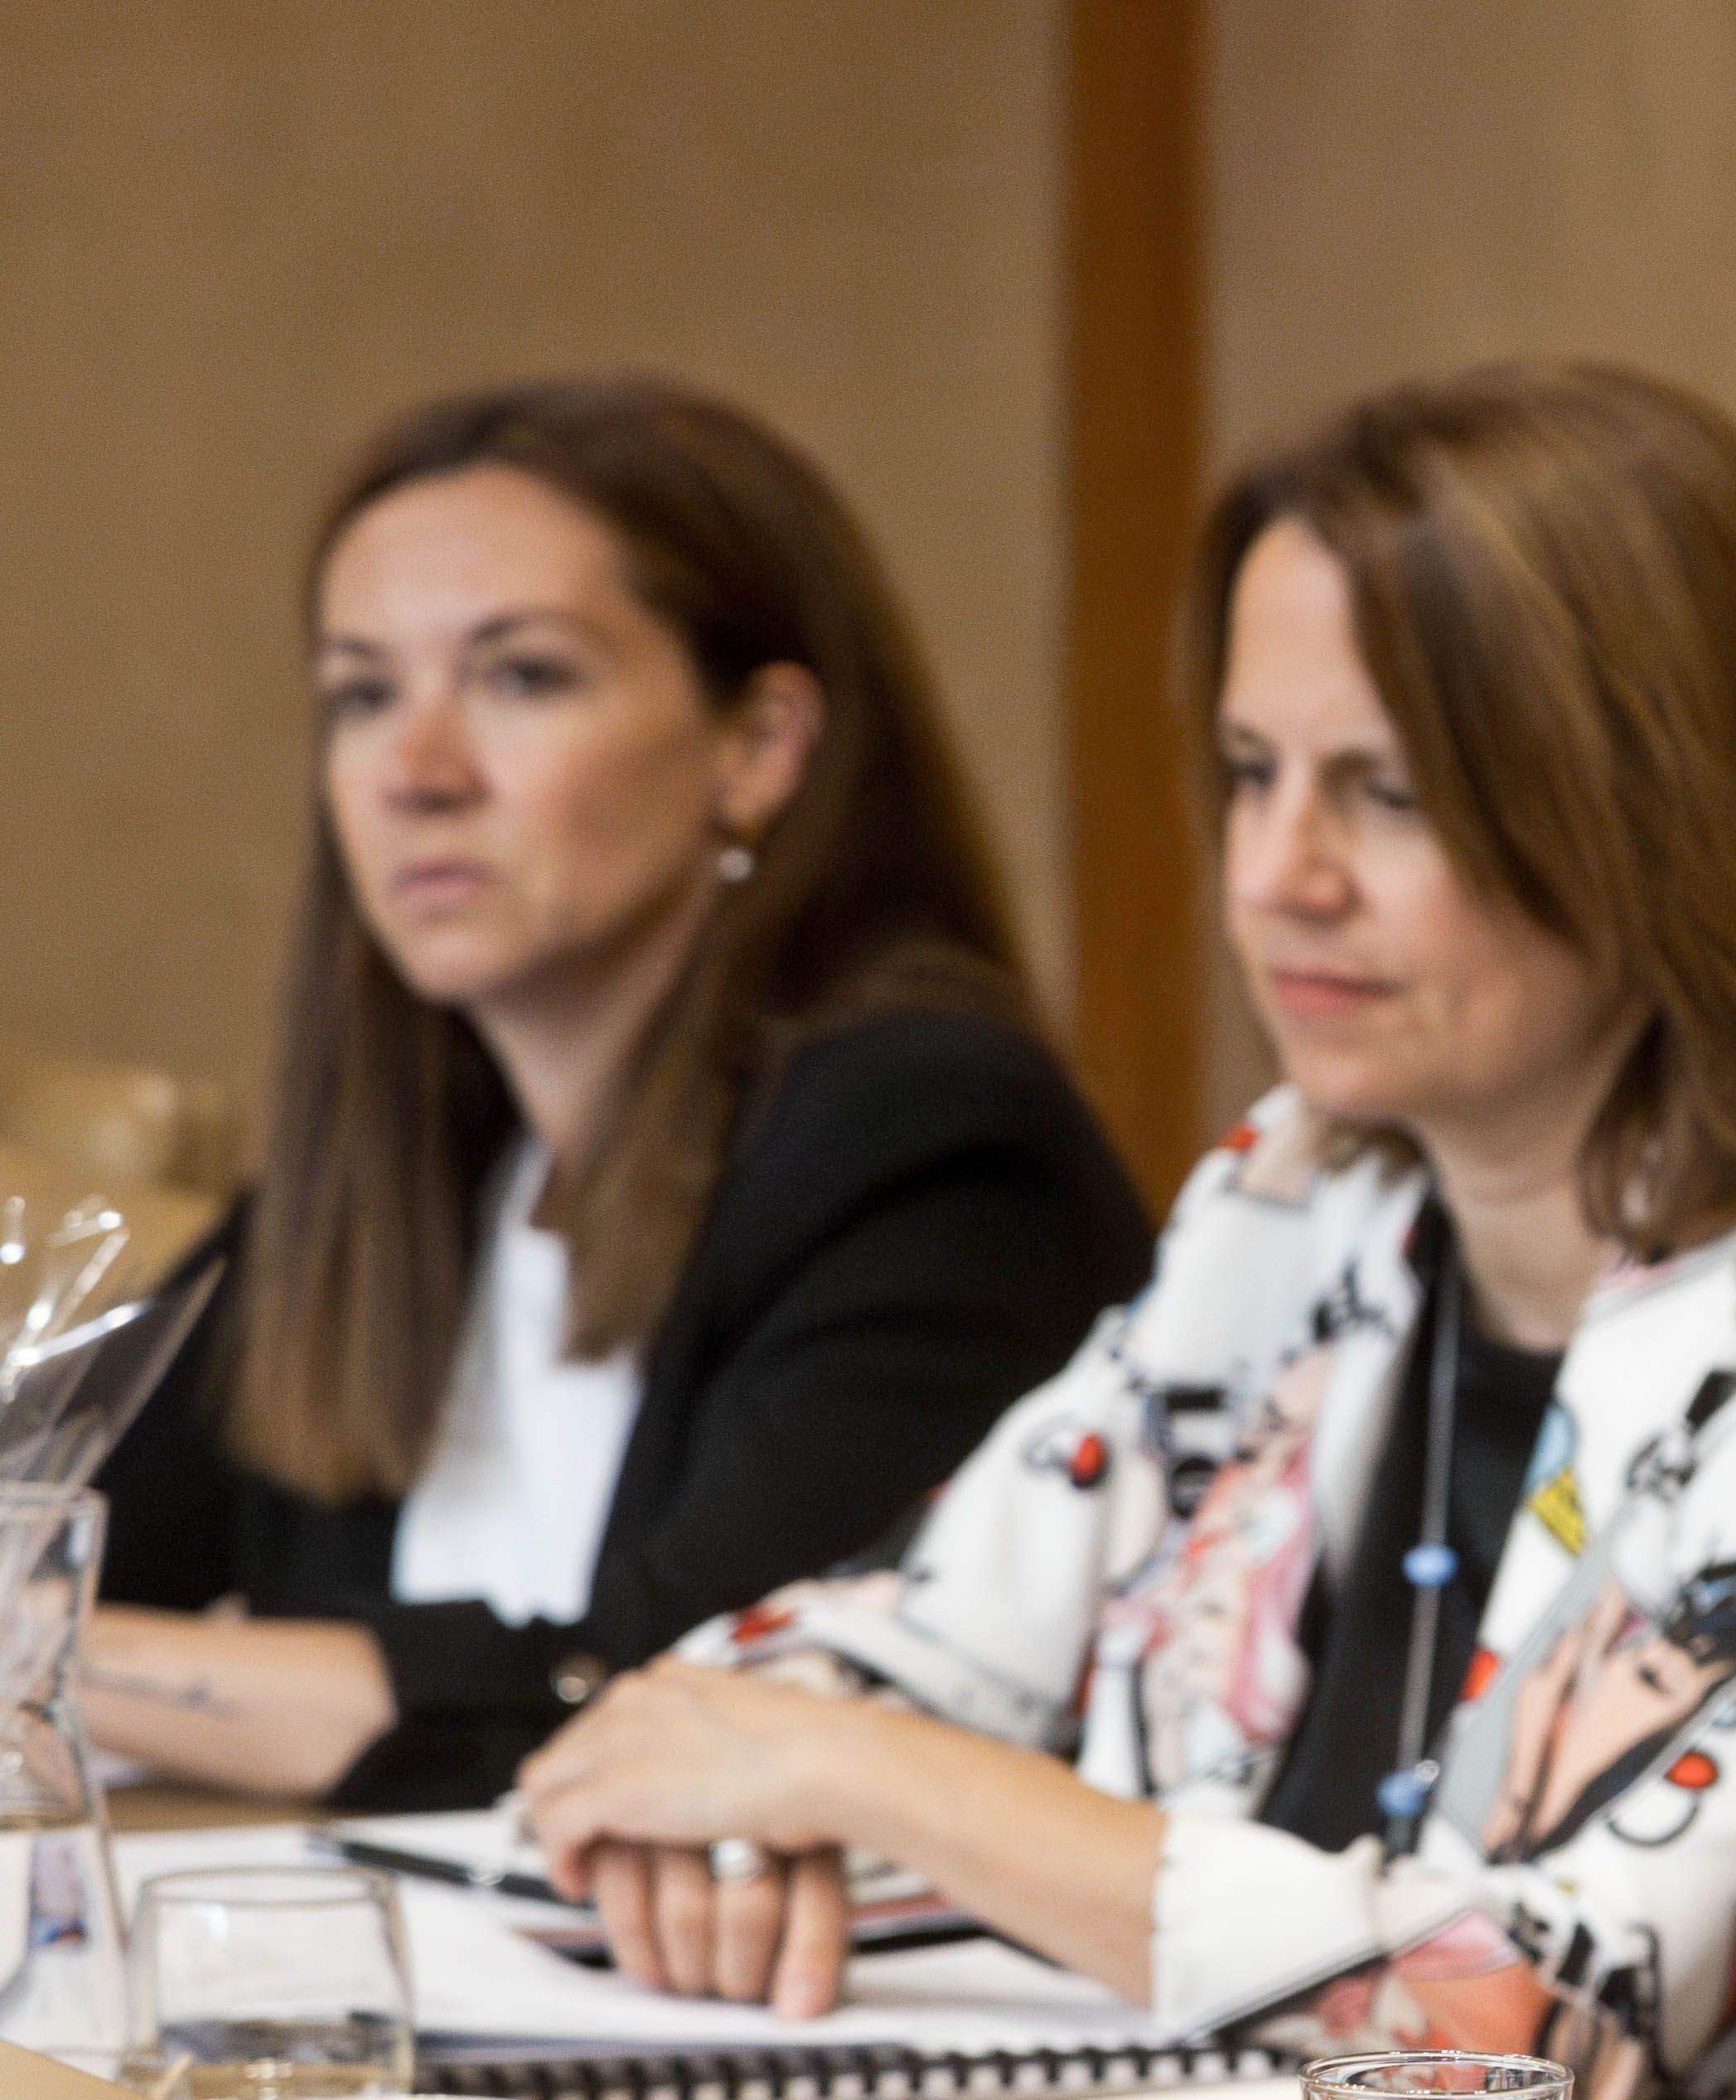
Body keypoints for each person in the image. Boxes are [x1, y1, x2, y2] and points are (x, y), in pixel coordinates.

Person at [518, 363, 1736, 2100]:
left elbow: (1535, 2028)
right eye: (1250, 774)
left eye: (1386, 792)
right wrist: (723, 1821)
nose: (1279, 878)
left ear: (1661, 810)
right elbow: (902, 1648)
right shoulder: (1301, 1202)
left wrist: (854, 1779)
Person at [85, 379, 1153, 1811]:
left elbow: (693, 1701)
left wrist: (54, 1649)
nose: (416, 772)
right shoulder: (406, 1173)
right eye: (362, 694)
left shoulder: (930, 1145)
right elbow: (61, 1513)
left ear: (757, 746)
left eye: (522, 678)